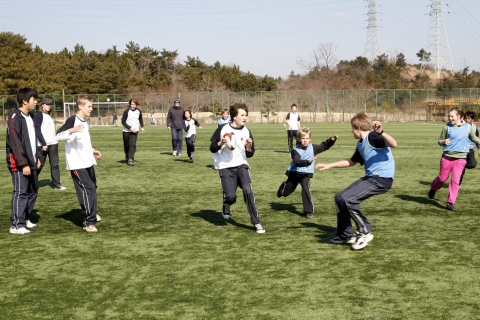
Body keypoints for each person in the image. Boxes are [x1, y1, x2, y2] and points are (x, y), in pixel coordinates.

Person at [315, 112, 397, 250]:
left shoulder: (372, 136)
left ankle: (364, 231)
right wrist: (330, 165)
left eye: (352, 128)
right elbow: (351, 162)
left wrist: (381, 132)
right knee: (340, 198)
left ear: (358, 128)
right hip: (371, 178)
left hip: (382, 179)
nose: (351, 131)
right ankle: (345, 235)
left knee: (348, 199)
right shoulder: (361, 144)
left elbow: (394, 144)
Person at [210, 103, 265, 234]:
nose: (245, 117)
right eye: (242, 115)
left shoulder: (247, 131)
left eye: (246, 115)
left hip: (241, 165)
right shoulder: (223, 129)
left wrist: (249, 147)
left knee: (247, 189)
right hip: (225, 167)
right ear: (234, 116)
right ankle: (227, 204)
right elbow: (212, 148)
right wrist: (221, 143)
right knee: (230, 196)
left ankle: (256, 222)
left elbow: (250, 154)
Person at [56, 95, 102, 233]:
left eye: (92, 106)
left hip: (87, 161)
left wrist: (92, 150)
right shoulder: (72, 120)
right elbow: (57, 136)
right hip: (77, 163)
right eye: (89, 106)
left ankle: (90, 211)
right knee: (88, 189)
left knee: (92, 187)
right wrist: (71, 130)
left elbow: (84, 141)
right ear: (80, 106)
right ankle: (88, 222)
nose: (91, 109)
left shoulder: (85, 122)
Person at [277, 128, 338, 219]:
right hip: (294, 173)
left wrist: (331, 140)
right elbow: (297, 162)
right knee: (285, 193)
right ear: (299, 139)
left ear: (310, 139)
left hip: (305, 174)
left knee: (305, 187)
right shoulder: (295, 150)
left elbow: (323, 146)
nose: (305, 140)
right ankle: (283, 188)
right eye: (303, 138)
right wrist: (308, 162)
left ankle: (308, 211)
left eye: (306, 138)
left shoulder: (312, 148)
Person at [428, 107, 480, 211]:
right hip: (447, 157)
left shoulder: (468, 127)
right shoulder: (446, 128)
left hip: (460, 159)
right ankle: (433, 188)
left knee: (455, 181)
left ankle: (450, 202)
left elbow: (474, 138)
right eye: (449, 116)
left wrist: (479, 142)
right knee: (442, 179)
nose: (450, 118)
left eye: (452, 116)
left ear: (459, 116)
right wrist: (443, 142)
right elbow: (439, 141)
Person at [6, 87, 41, 234]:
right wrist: (24, 163)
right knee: (21, 192)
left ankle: (25, 218)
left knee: (33, 190)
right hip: (20, 163)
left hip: (32, 161)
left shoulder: (30, 116)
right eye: (34, 99)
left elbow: (34, 140)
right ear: (25, 101)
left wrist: (37, 156)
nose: (36, 102)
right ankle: (16, 225)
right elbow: (15, 143)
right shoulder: (15, 118)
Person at [34, 98, 66, 190]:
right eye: (47, 104)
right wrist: (44, 143)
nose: (49, 106)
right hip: (42, 144)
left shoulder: (48, 116)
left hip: (53, 143)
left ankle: (57, 184)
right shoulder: (39, 115)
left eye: (50, 104)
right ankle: (30, 182)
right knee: (39, 165)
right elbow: (37, 129)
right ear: (42, 105)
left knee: (55, 164)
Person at [459, 110, 480, 186]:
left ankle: (461, 165)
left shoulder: (474, 128)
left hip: (470, 150)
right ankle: (457, 184)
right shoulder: (461, 126)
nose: (467, 120)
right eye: (465, 118)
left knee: (473, 164)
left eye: (469, 118)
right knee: (461, 171)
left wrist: (479, 149)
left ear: (472, 119)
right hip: (461, 150)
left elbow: (477, 139)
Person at [122, 99, 145, 166]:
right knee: (127, 145)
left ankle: (130, 159)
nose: (133, 106)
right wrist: (130, 128)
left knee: (132, 144)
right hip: (126, 131)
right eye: (132, 104)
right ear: (130, 104)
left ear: (136, 105)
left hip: (135, 131)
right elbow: (123, 122)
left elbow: (140, 119)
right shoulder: (126, 112)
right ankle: (127, 156)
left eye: (134, 104)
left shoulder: (138, 111)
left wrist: (142, 127)